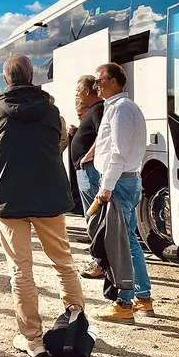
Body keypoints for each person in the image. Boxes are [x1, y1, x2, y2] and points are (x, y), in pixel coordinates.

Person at [0, 54, 84, 357]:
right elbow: (60, 143)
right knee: (63, 263)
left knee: (21, 271)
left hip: (9, 197)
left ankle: (33, 339)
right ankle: (75, 328)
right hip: (48, 196)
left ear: (6, 80)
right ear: (32, 76)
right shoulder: (52, 111)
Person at [90, 63, 153, 322]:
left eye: (99, 80)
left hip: (118, 183)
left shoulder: (122, 109)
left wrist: (106, 187)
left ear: (114, 81)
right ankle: (143, 297)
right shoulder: (119, 108)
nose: (96, 85)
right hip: (123, 181)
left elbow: (119, 152)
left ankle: (124, 302)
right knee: (127, 241)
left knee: (118, 245)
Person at [70, 76, 106, 279]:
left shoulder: (99, 108)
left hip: (90, 169)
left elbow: (102, 135)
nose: (76, 93)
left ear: (89, 91)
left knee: (94, 214)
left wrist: (88, 155)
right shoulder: (93, 110)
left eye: (79, 89)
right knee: (89, 213)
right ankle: (98, 255)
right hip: (84, 169)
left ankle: (99, 261)